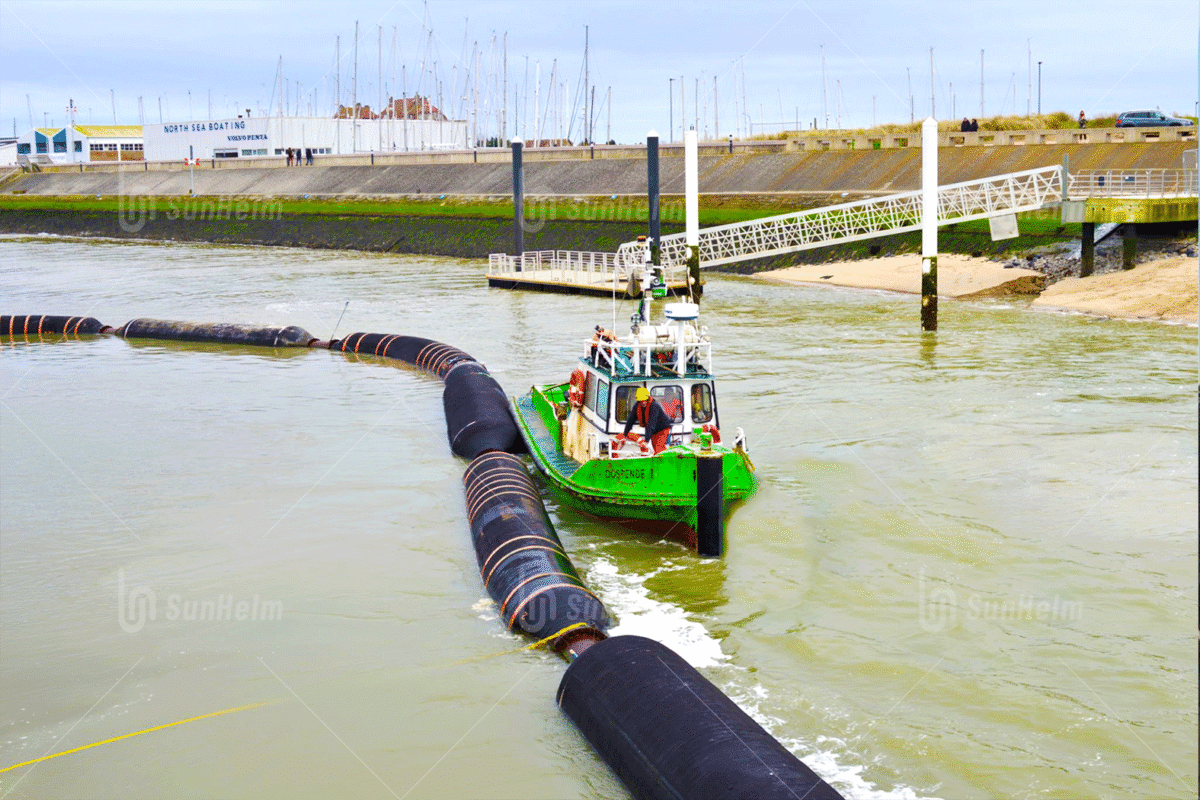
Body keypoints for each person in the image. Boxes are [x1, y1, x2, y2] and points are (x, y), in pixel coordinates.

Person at [620, 386, 672, 454]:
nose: (642, 402)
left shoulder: (654, 406)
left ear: (647, 399)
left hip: (663, 429)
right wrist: (625, 435)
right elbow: (630, 420)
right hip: (654, 431)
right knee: (655, 449)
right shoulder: (637, 406)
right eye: (640, 401)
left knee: (659, 449)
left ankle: (664, 462)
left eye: (644, 400)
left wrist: (646, 441)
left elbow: (651, 424)